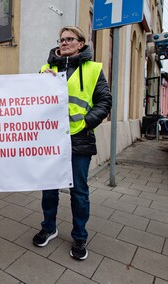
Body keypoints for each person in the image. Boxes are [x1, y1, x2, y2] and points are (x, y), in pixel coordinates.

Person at [33, 26, 112, 260]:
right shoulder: (45, 70)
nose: (64, 42)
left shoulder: (93, 69)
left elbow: (104, 101)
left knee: (78, 191)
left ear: (81, 43)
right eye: (61, 39)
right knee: (49, 187)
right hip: (51, 139)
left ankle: (79, 236)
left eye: (70, 39)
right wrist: (41, 84)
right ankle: (49, 227)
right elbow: (33, 102)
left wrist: (86, 123)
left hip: (80, 138)